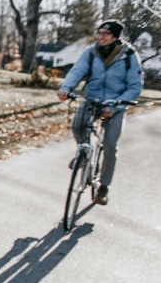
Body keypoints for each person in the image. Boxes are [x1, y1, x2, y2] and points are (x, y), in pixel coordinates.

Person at [57, 19, 143, 205]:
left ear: (115, 37)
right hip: (92, 98)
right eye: (99, 33)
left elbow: (135, 85)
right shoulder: (91, 52)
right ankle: (83, 154)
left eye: (105, 34)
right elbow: (77, 71)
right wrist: (66, 88)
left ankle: (103, 187)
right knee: (78, 125)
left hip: (116, 103)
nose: (100, 37)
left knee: (110, 144)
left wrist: (116, 106)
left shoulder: (128, 55)